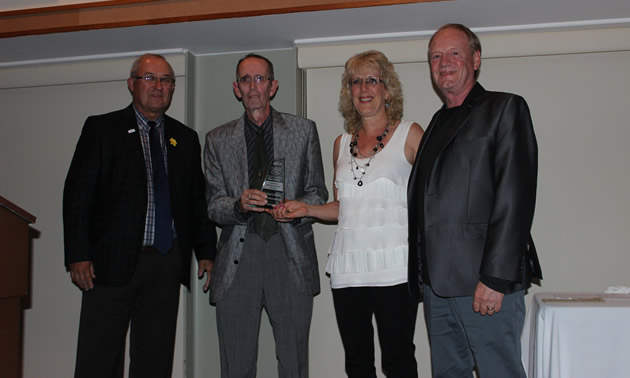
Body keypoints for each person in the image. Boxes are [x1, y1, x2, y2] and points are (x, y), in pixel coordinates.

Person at [63, 53, 217, 378]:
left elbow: (195, 201)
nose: (158, 86)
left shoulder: (184, 138)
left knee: (155, 360)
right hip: (109, 264)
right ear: (131, 84)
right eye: (149, 78)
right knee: (99, 358)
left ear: (173, 88)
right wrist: (78, 255)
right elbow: (78, 196)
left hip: (164, 264)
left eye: (165, 80)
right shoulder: (103, 129)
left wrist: (206, 252)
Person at [272, 50, 424, 378]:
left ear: (387, 89)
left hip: (394, 267)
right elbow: (344, 207)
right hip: (348, 269)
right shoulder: (341, 144)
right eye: (356, 82)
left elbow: (431, 201)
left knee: (398, 360)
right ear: (349, 91)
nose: (363, 88)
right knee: (356, 363)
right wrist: (307, 209)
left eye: (372, 80)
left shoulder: (410, 135)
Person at [407, 24, 543, 377]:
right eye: (436, 56)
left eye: (454, 53)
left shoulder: (504, 108)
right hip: (438, 287)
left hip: (484, 284)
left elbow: (515, 198)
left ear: (476, 59)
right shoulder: (436, 122)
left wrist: (495, 279)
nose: (444, 62)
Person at [203, 53, 328, 378]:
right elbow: (213, 205)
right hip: (237, 259)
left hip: (288, 256)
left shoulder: (303, 131)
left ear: (273, 87)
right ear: (236, 88)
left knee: (293, 363)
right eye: (246, 79)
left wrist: (297, 208)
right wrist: (238, 205)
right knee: (236, 364)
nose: (253, 86)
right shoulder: (217, 140)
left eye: (260, 79)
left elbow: (318, 192)